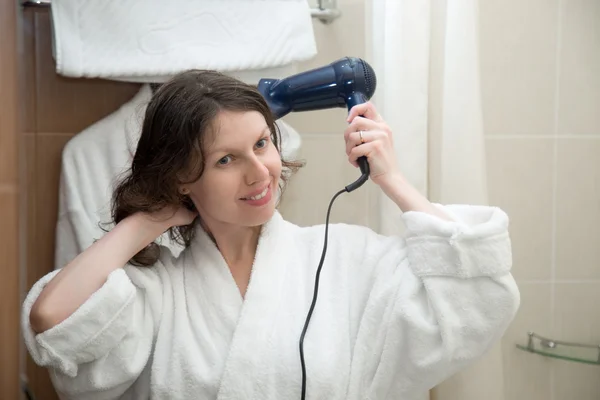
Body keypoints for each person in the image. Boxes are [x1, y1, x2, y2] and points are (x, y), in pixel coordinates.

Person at [22, 70, 520, 400]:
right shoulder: (157, 291)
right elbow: (53, 320)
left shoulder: (344, 258)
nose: (260, 173)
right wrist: (148, 219)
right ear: (181, 178)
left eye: (262, 143)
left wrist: (392, 178)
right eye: (226, 160)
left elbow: (476, 295)